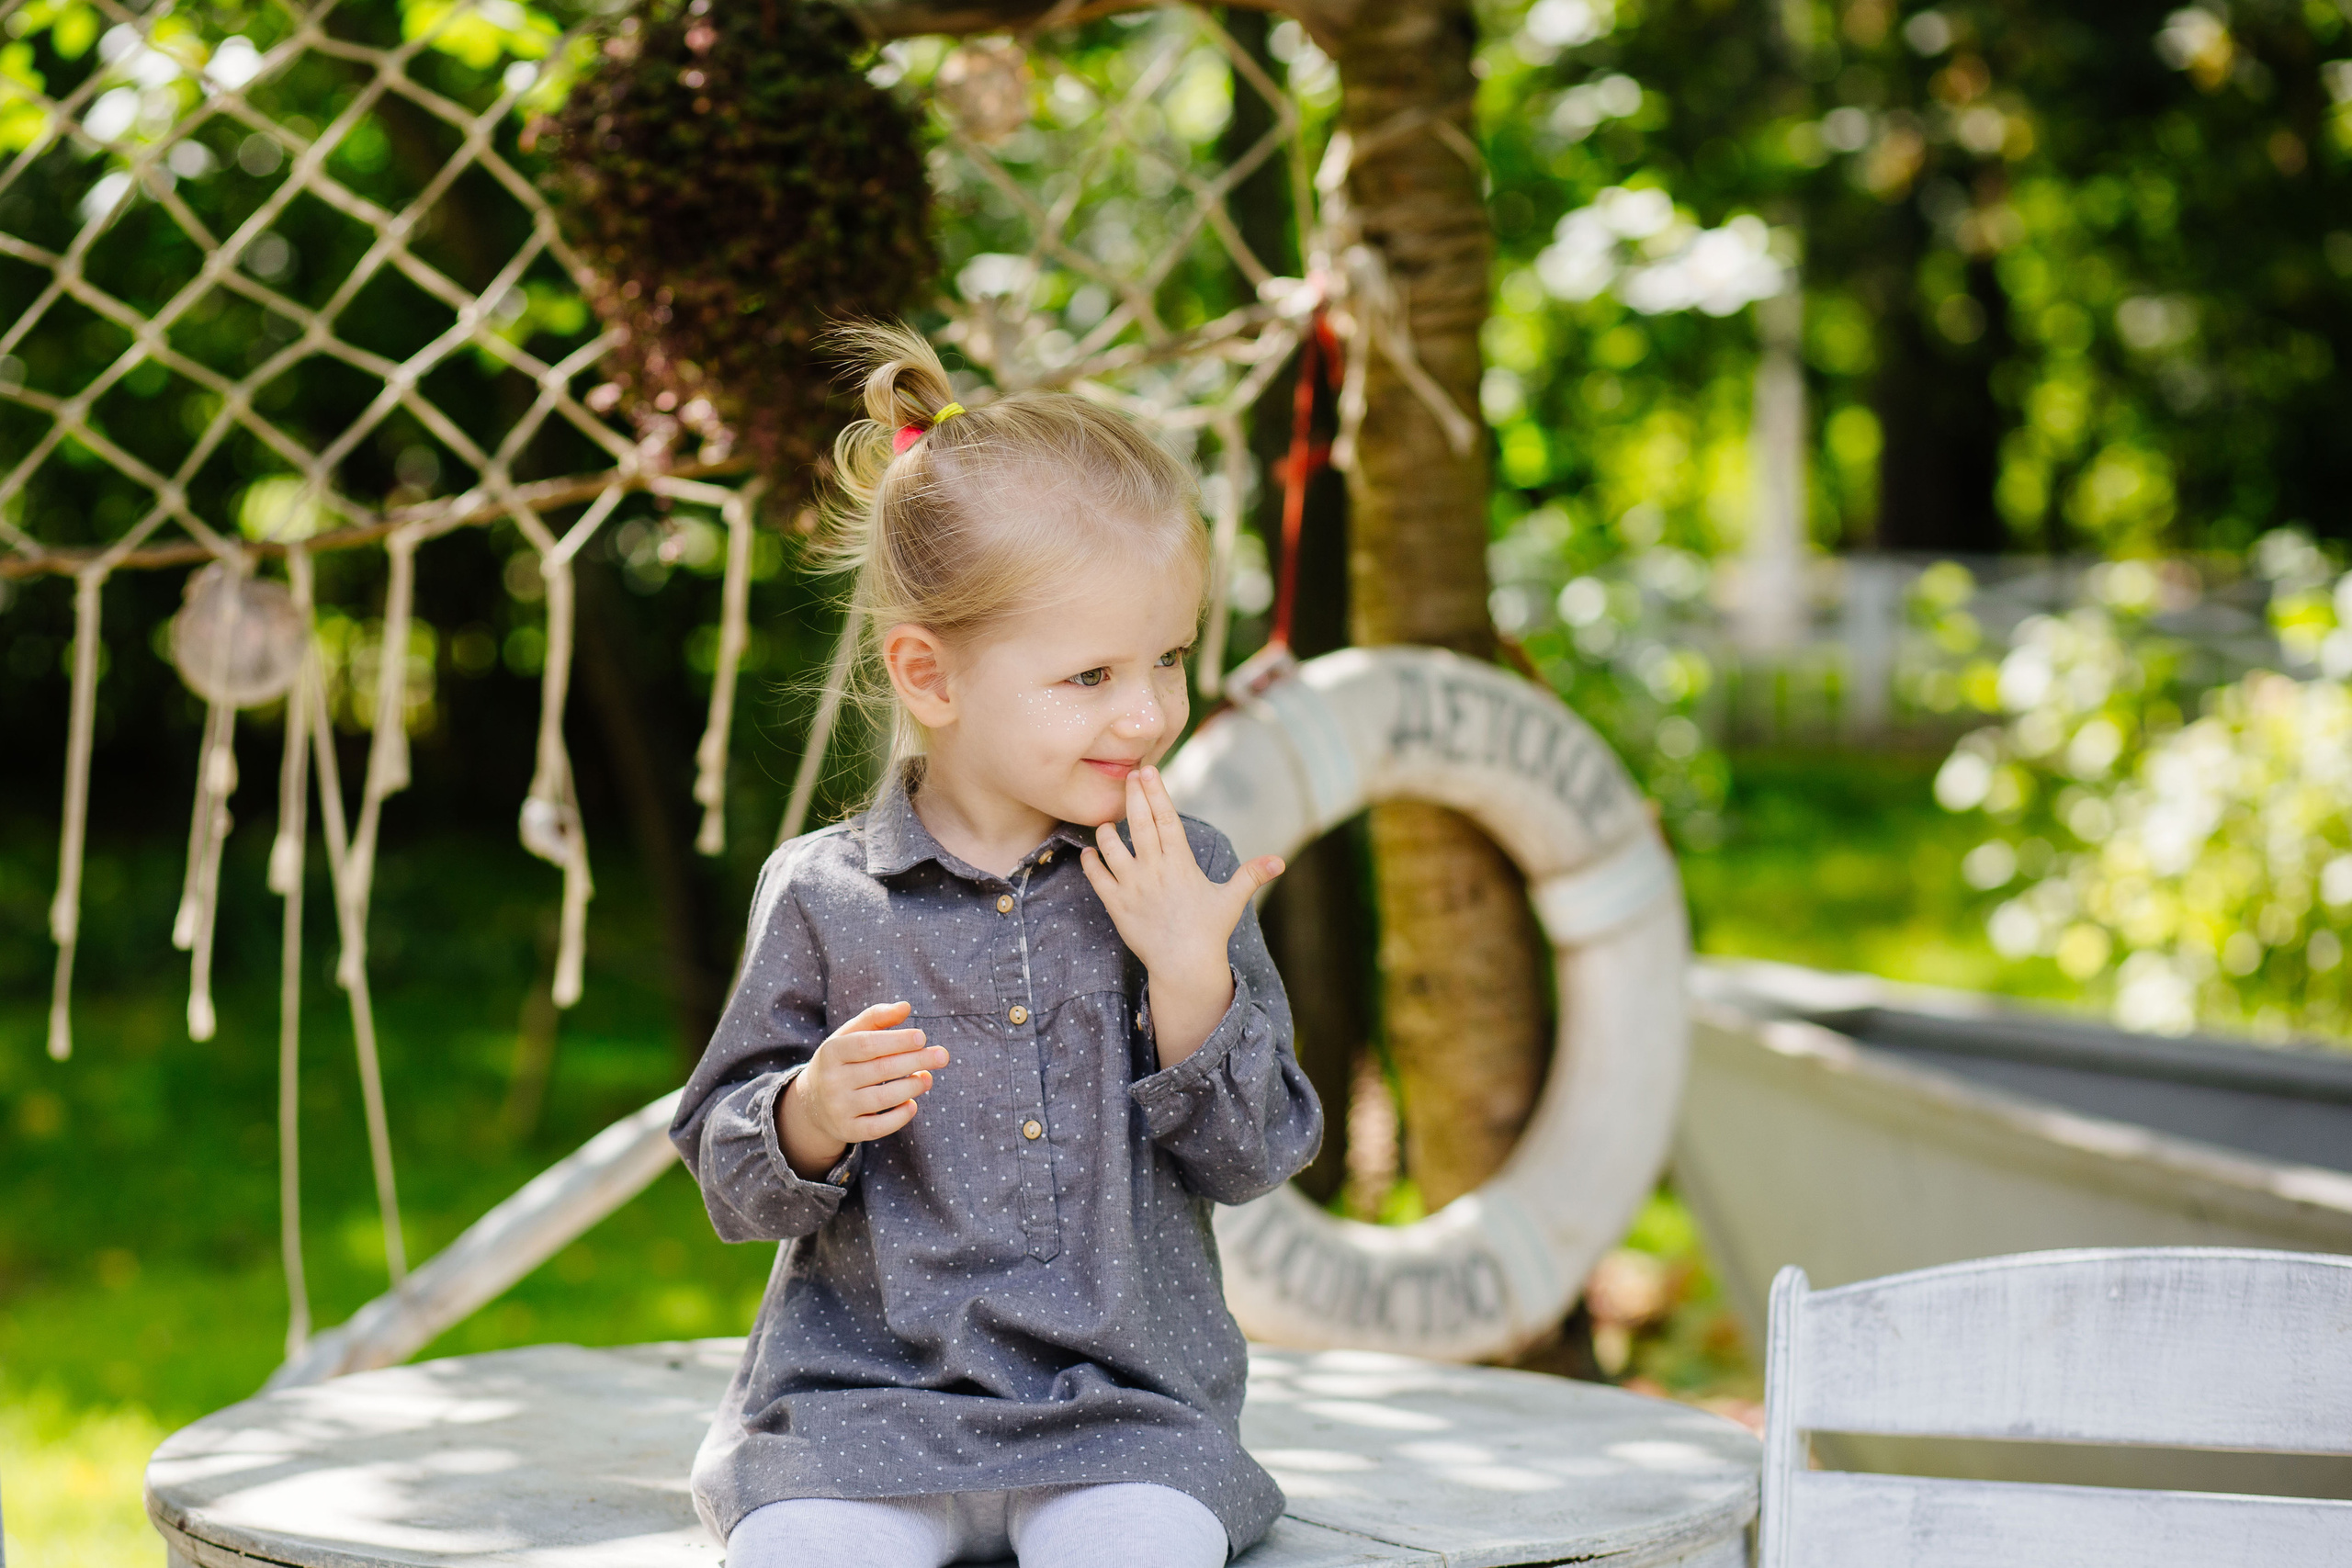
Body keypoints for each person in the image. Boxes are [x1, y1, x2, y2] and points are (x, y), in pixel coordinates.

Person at [671, 321, 1325, 1568]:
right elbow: (728, 1180)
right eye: (1090, 677)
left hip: (1128, 1421)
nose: (1149, 711)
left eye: (1170, 659)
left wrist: (1190, 976)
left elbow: (1253, 1159)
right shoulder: (824, 895)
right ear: (930, 676)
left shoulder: (1177, 874)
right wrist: (809, 1112)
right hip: (857, 1416)